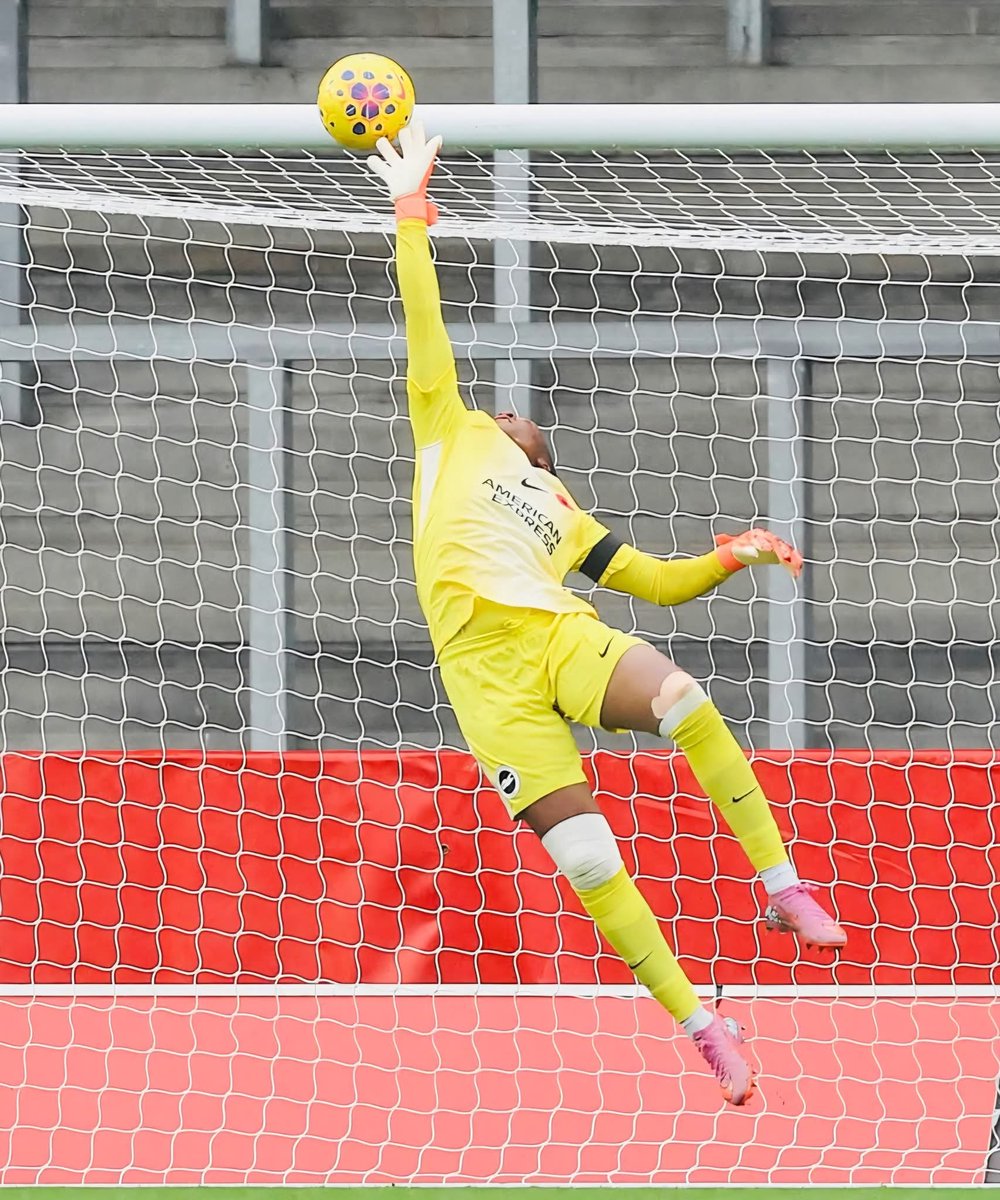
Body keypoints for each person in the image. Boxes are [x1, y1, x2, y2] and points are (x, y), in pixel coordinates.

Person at [367, 122, 846, 1108]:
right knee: (585, 859)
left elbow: (656, 583)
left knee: (682, 699)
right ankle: (702, 1024)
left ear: (541, 456)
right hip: (485, 678)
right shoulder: (449, 435)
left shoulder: (558, 513)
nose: (510, 413)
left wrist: (727, 556)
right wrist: (411, 212)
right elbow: (427, 332)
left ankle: (782, 884)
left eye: (522, 421)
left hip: (556, 639)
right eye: (502, 411)